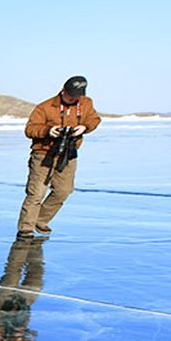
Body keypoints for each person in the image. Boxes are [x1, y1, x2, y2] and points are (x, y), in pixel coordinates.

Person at [16, 76, 100, 239]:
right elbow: (30, 130)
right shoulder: (45, 107)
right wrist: (48, 131)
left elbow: (94, 119)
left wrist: (84, 127)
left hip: (69, 153)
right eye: (71, 96)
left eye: (77, 96)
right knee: (36, 193)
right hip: (43, 153)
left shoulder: (86, 103)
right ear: (63, 91)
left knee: (63, 191)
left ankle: (40, 220)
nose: (74, 99)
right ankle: (26, 228)